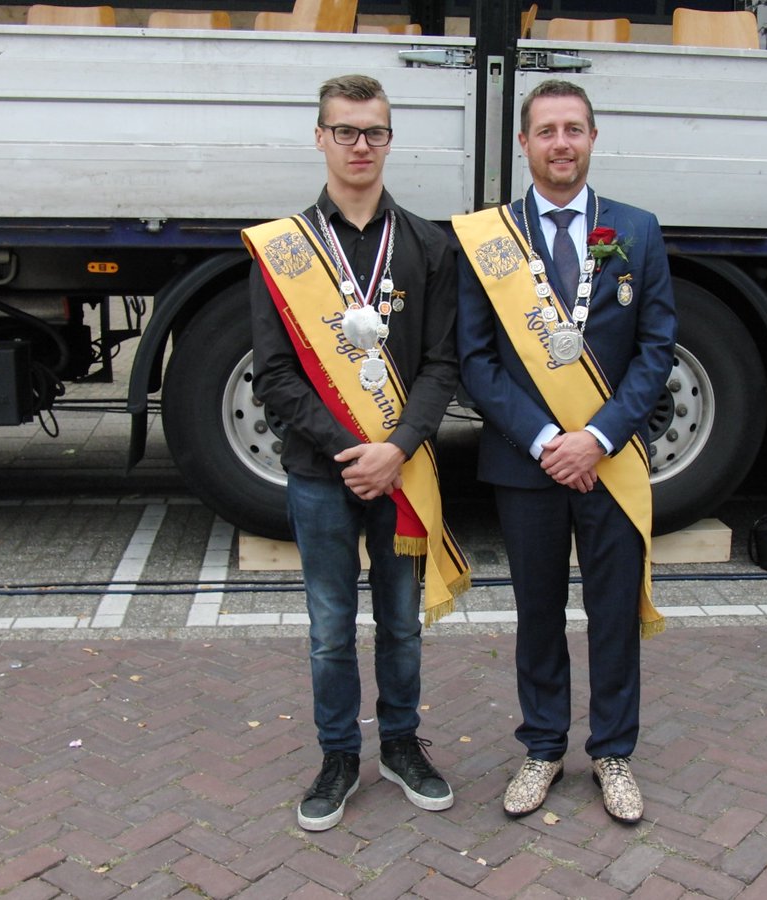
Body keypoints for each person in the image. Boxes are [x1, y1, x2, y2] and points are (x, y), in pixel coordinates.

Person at [244, 74, 470, 831]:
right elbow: (273, 376)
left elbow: (444, 365)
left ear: (389, 139)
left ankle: (401, 745)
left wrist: (398, 447)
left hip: (403, 473)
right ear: (320, 138)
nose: (360, 145)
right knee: (329, 626)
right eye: (345, 131)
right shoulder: (283, 251)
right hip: (323, 474)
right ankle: (339, 755)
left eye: (373, 131)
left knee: (401, 622)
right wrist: (356, 451)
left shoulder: (430, 245)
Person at [454, 79, 676, 824]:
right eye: (546, 130)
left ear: (592, 138)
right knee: (538, 611)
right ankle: (543, 747)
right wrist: (551, 441)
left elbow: (655, 347)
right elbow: (476, 360)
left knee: (612, 612)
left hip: (609, 459)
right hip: (528, 463)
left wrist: (599, 436)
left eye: (573, 129)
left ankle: (612, 751)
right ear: (523, 143)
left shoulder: (637, 231)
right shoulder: (491, 240)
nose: (560, 143)